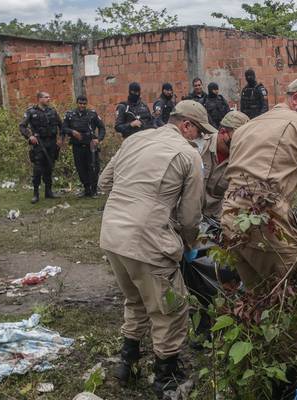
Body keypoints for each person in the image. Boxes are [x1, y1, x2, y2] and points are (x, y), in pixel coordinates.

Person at [221, 76, 297, 397]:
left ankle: (253, 371)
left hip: (231, 219)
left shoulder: (247, 126)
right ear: (296, 99)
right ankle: (282, 382)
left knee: (262, 298)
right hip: (264, 219)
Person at [99, 100, 216, 399]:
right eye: (199, 132)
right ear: (186, 125)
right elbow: (191, 217)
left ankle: (128, 361)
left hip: (112, 233)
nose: (199, 138)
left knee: (135, 298)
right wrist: (188, 242)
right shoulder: (188, 155)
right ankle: (167, 376)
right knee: (170, 309)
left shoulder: (136, 138)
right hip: (148, 240)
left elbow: (104, 182)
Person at [202, 110, 250, 218]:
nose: (240, 144)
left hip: (216, 218)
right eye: (237, 139)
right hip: (187, 217)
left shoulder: (240, 160)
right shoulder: (200, 148)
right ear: (223, 132)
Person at [19, 91, 63, 203]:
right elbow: (22, 126)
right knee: (38, 169)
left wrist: (60, 139)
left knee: (49, 167)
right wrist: (30, 136)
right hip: (39, 143)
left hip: (52, 143)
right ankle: (35, 194)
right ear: (39, 99)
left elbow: (62, 126)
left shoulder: (52, 111)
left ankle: (49, 192)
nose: (49, 99)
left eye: (49, 97)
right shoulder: (31, 111)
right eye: (46, 97)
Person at [62, 95, 105, 198]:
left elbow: (102, 128)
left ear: (86, 104)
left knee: (94, 168)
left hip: (91, 145)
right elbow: (63, 128)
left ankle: (94, 190)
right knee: (81, 168)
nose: (82, 105)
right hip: (77, 146)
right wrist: (72, 131)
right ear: (77, 103)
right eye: (80, 103)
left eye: (84, 104)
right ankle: (87, 190)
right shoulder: (70, 115)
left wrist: (98, 139)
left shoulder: (92, 114)